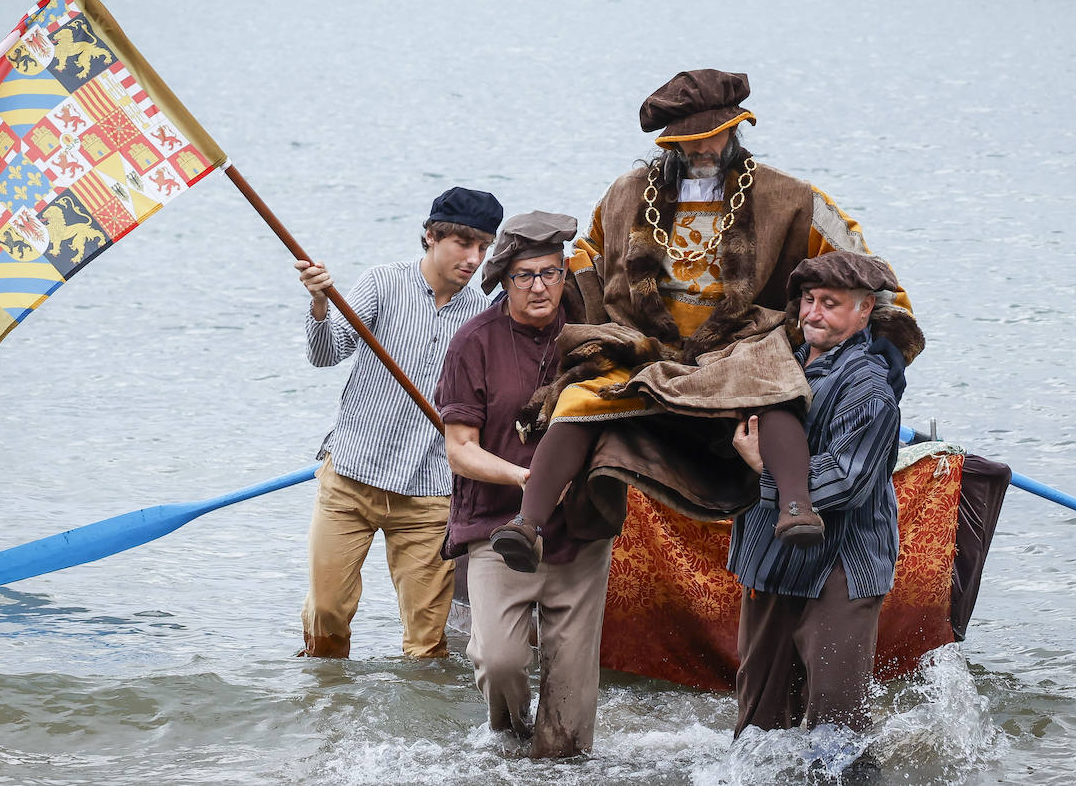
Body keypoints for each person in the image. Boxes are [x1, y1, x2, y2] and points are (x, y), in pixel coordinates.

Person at [490, 69, 922, 572]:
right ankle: (528, 524)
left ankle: (796, 508)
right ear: (669, 145)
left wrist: (888, 342)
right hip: (649, 343)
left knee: (774, 384)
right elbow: (589, 258)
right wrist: (543, 300)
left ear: (734, 130)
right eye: (687, 143)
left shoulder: (788, 197)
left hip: (737, 342)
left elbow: (859, 266)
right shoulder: (627, 194)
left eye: (711, 137)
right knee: (581, 396)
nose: (701, 151)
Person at [435, 211, 616, 758]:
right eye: (525, 276)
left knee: (571, 697)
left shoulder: (595, 335)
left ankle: (559, 760)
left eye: (551, 273)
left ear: (566, 274)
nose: (540, 287)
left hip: (582, 531)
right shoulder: (475, 342)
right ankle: (509, 742)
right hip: (497, 528)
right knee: (499, 659)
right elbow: (459, 451)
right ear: (504, 280)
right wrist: (525, 477)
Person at [296, 186, 503, 659]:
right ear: (431, 236)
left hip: (430, 494)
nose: (473, 258)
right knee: (326, 614)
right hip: (350, 477)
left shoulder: (484, 316)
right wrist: (321, 305)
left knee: (427, 641)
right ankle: (326, 709)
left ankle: (421, 729)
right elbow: (326, 354)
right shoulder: (382, 283)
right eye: (463, 243)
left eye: (483, 248)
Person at [727, 250, 906, 751]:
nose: (812, 314)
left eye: (830, 303)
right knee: (756, 732)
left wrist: (764, 468)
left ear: (865, 309)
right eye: (808, 300)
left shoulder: (870, 388)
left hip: (843, 567)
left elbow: (848, 481)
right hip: (771, 555)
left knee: (836, 733)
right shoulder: (771, 363)